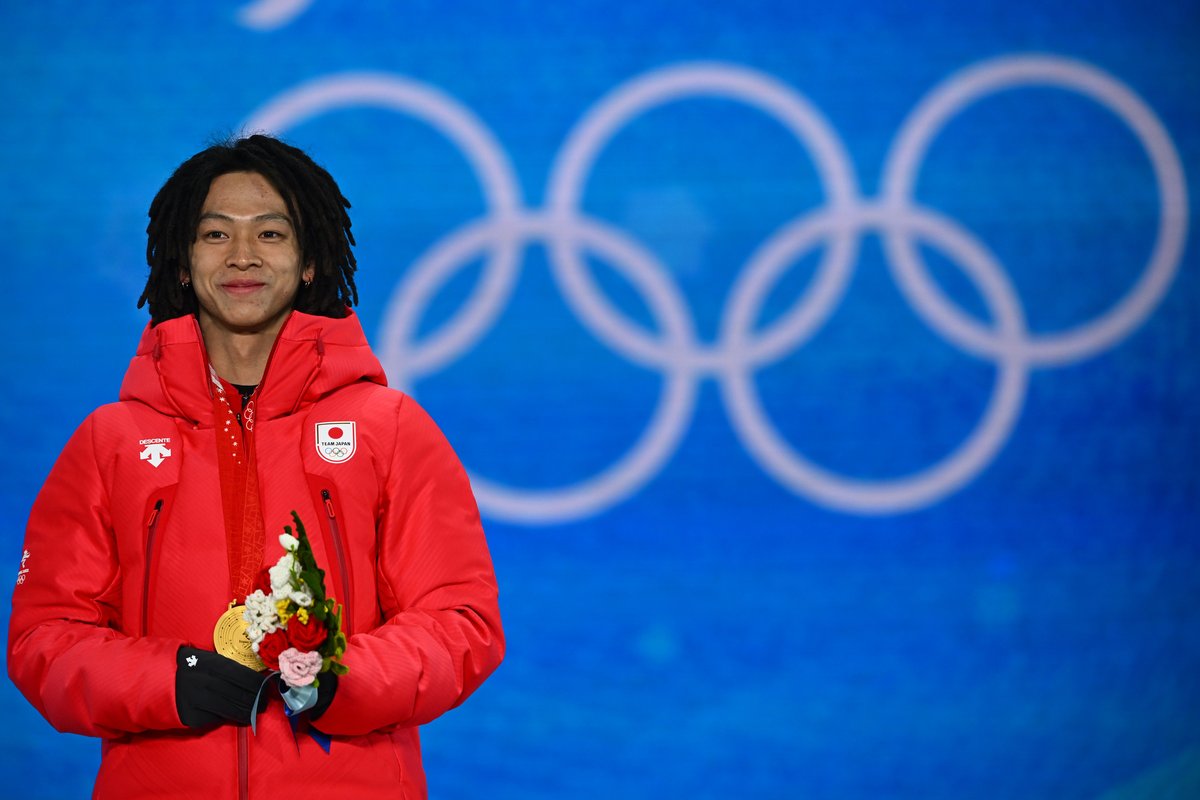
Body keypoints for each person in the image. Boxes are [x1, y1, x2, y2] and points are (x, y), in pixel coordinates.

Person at [7, 134, 504, 798]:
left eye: (270, 233)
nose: (242, 254)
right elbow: (43, 639)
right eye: (215, 234)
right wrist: (166, 682)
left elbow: (461, 622)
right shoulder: (111, 441)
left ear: (309, 261)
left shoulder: (390, 429)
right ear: (182, 264)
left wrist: (342, 677)